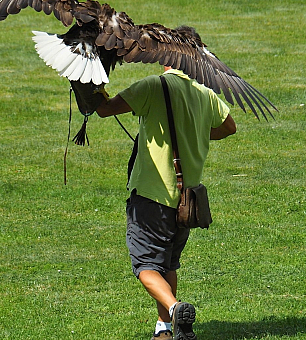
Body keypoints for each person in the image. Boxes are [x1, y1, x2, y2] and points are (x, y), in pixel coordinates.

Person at [96, 65, 237, 340]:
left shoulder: (153, 85)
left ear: (166, 58)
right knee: (169, 265)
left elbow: (104, 109)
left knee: (146, 266)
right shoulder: (204, 93)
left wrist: (88, 85)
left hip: (151, 195)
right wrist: (193, 131)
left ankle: (175, 308)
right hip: (186, 200)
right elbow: (228, 127)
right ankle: (165, 329)